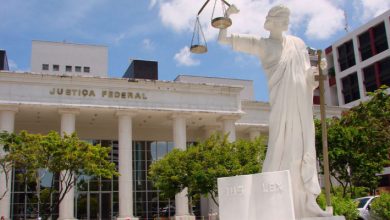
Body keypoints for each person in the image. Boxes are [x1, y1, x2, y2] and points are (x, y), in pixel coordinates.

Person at [218, 4, 331, 218]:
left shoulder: (298, 44)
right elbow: (225, 39)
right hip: (281, 105)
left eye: (287, 19)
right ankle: (276, 199)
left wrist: (316, 73)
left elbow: (308, 76)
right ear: (271, 21)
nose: (286, 23)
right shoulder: (262, 45)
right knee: (281, 144)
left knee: (302, 147)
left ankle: (306, 201)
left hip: (301, 106)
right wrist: (225, 18)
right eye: (282, 18)